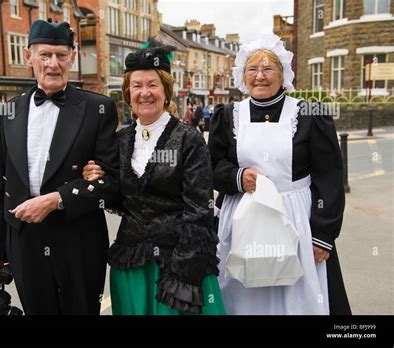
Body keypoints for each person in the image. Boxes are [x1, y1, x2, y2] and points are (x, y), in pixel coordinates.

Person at [0, 19, 120, 315]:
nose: (53, 64)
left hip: (79, 242)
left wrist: (56, 200)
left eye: (61, 55)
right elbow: (2, 187)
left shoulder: (98, 108)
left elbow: (111, 183)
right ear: (28, 56)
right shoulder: (5, 112)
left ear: (71, 58)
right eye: (45, 55)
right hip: (24, 243)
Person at [208, 34, 351, 315]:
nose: (260, 76)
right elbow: (211, 166)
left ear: (283, 73)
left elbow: (329, 177)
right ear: (242, 75)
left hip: (297, 221)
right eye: (252, 69)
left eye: (268, 68)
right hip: (241, 221)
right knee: (242, 295)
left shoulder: (309, 114)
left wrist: (323, 234)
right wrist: (238, 178)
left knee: (300, 298)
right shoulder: (227, 115)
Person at [83, 40, 225, 315]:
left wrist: (183, 275)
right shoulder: (120, 140)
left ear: (166, 91)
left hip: (178, 263)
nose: (144, 93)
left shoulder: (189, 140)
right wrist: (98, 176)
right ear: (128, 92)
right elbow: (120, 198)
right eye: (137, 86)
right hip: (132, 264)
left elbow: (199, 212)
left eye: (152, 85)